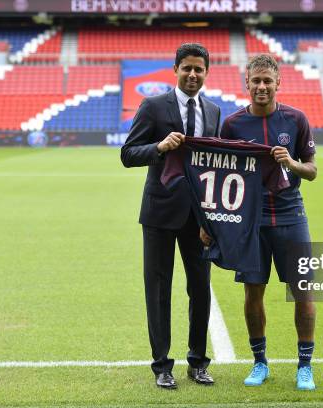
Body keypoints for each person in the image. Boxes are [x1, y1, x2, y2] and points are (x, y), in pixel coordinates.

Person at [213, 54, 318, 390]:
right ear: (246, 83)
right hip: (250, 220)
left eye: (267, 81)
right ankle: (259, 363)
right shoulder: (231, 125)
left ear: (278, 83)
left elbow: (312, 170)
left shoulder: (296, 119)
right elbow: (220, 173)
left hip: (290, 216)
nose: (261, 87)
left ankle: (305, 366)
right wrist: (213, 222)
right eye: (255, 81)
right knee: (252, 292)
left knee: (302, 292)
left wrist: (292, 162)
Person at [120, 43, 221, 390]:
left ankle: (198, 362)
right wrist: (159, 148)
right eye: (187, 68)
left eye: (199, 69)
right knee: (159, 290)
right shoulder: (152, 106)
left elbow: (213, 166)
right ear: (175, 70)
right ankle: (162, 365)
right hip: (160, 212)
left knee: (201, 290)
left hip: (200, 217)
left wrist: (214, 217)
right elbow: (128, 153)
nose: (193, 75)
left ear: (206, 73)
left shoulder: (213, 111)